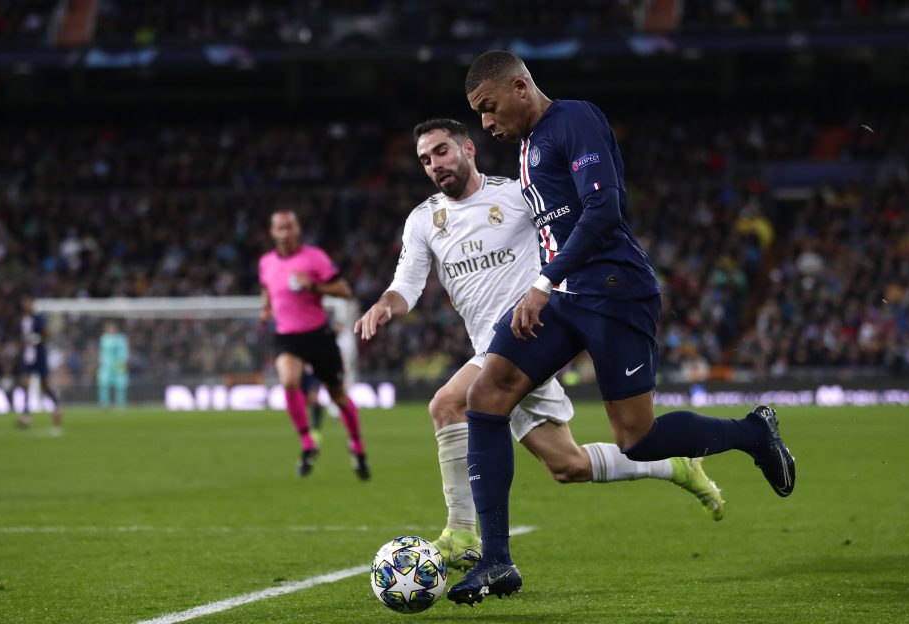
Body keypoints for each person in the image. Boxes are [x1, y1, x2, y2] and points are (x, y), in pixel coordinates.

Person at [448, 50, 796, 605]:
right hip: (565, 294)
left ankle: (752, 432)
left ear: (520, 86)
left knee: (637, 441)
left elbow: (603, 208)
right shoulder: (529, 146)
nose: (486, 124)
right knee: (487, 398)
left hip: (614, 290)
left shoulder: (575, 119)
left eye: (489, 109)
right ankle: (496, 561)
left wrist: (542, 281)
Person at [354, 118, 725, 569]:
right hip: (494, 355)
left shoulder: (517, 196)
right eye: (425, 159)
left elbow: (571, 237)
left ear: (468, 149)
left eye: (442, 151)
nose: (435, 165)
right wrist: (385, 306)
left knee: (447, 404)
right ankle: (677, 465)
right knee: (567, 466)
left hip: (532, 335)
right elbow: (405, 285)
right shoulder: (423, 221)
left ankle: (461, 534)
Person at [259, 210, 369, 480]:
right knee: (288, 381)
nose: (285, 233)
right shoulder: (266, 262)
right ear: (272, 233)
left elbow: (344, 290)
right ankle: (307, 443)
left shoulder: (314, 258)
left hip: (318, 336)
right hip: (288, 337)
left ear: (298, 230)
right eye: (280, 229)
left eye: (289, 227)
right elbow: (267, 288)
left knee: (338, 396)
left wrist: (314, 286)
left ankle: (356, 445)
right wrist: (266, 309)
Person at [15, 294, 62, 429]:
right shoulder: (23, 320)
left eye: (28, 302)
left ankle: (56, 406)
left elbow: (47, 333)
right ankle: (25, 416)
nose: (26, 305)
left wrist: (38, 338)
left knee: (44, 385)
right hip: (28, 355)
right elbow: (23, 337)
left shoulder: (38, 318)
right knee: (24, 384)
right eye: (25, 302)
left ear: (33, 303)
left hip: (39, 355)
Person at [97, 320, 129, 409]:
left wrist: (124, 362)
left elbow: (124, 352)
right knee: (103, 383)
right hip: (106, 364)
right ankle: (104, 403)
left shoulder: (121, 338)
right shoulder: (104, 338)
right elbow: (102, 352)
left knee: (120, 384)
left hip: (119, 364)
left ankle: (120, 404)